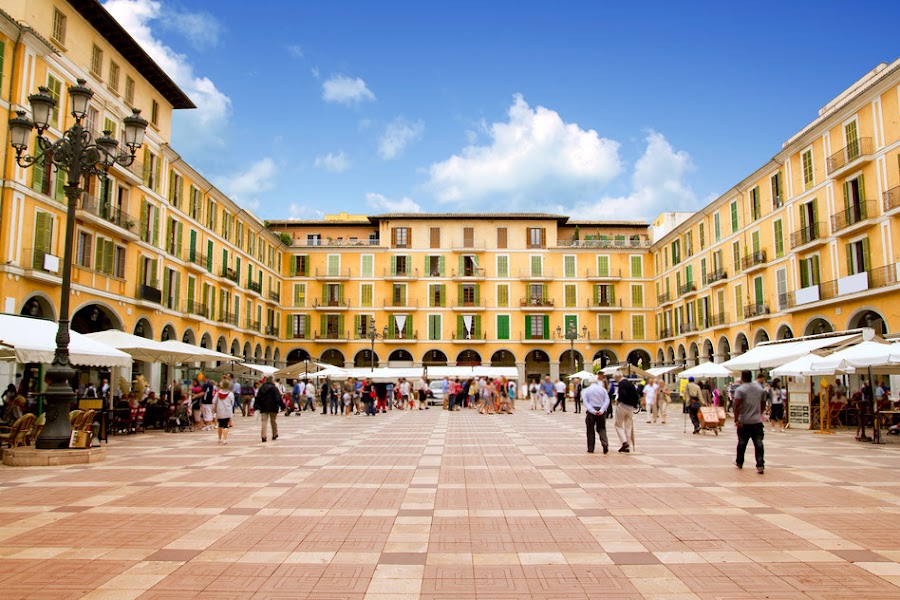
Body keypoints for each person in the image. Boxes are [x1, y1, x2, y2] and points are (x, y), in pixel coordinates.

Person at [733, 370, 766, 474]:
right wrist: (759, 412)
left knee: (742, 443)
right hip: (757, 421)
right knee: (759, 443)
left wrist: (736, 419)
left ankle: (739, 462)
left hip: (744, 421)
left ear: (742, 377)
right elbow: (763, 402)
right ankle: (760, 464)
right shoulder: (759, 388)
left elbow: (737, 405)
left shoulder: (740, 389)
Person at [582, 376, 610, 454]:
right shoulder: (603, 389)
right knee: (602, 428)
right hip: (601, 410)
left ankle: (591, 448)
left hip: (591, 411)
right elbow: (607, 400)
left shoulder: (586, 390)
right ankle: (604, 443)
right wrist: (602, 410)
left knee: (590, 429)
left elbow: (585, 402)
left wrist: (592, 410)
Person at [613, 373, 639, 452]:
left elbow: (622, 394)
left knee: (618, 425)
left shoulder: (621, 383)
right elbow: (636, 395)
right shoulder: (630, 384)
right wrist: (634, 405)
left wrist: (618, 400)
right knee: (628, 427)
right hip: (630, 408)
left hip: (623, 406)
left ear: (617, 376)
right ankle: (628, 446)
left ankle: (624, 442)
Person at [255, 376, 282, 442]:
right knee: (273, 421)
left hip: (263, 407)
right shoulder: (274, 388)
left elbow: (258, 397)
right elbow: (278, 397)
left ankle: (263, 436)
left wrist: (256, 405)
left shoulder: (261, 388)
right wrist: (281, 405)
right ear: (272, 380)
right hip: (273, 406)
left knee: (264, 421)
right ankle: (274, 434)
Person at [214, 378, 234, 445]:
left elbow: (213, 401)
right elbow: (232, 403)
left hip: (220, 410)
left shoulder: (218, 393)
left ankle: (219, 438)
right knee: (225, 425)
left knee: (220, 424)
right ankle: (225, 439)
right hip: (227, 411)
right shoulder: (230, 394)